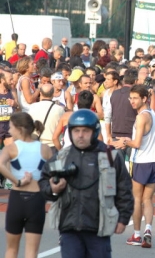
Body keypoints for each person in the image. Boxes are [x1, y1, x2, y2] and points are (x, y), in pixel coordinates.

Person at [39, 109, 133, 258]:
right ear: (70, 132)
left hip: (99, 228)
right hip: (69, 227)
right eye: (76, 131)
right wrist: (52, 188)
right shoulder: (62, 156)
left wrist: (123, 218)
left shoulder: (109, 156)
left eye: (85, 131)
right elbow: (43, 181)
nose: (80, 135)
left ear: (94, 131)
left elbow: (124, 188)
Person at [115, 85, 155, 248]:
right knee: (148, 199)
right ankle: (148, 229)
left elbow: (136, 143)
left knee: (136, 199)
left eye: (135, 98)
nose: (132, 101)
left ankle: (136, 234)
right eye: (131, 98)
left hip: (142, 162)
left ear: (144, 99)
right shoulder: (153, 114)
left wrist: (123, 142)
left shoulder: (142, 117)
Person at [0, 112, 53, 258]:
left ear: (20, 129)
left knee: (11, 250)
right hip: (36, 200)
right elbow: (57, 170)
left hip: (17, 199)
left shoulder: (11, 148)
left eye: (11, 128)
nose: (9, 131)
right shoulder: (44, 149)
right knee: (31, 252)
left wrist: (17, 181)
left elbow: (0, 164)